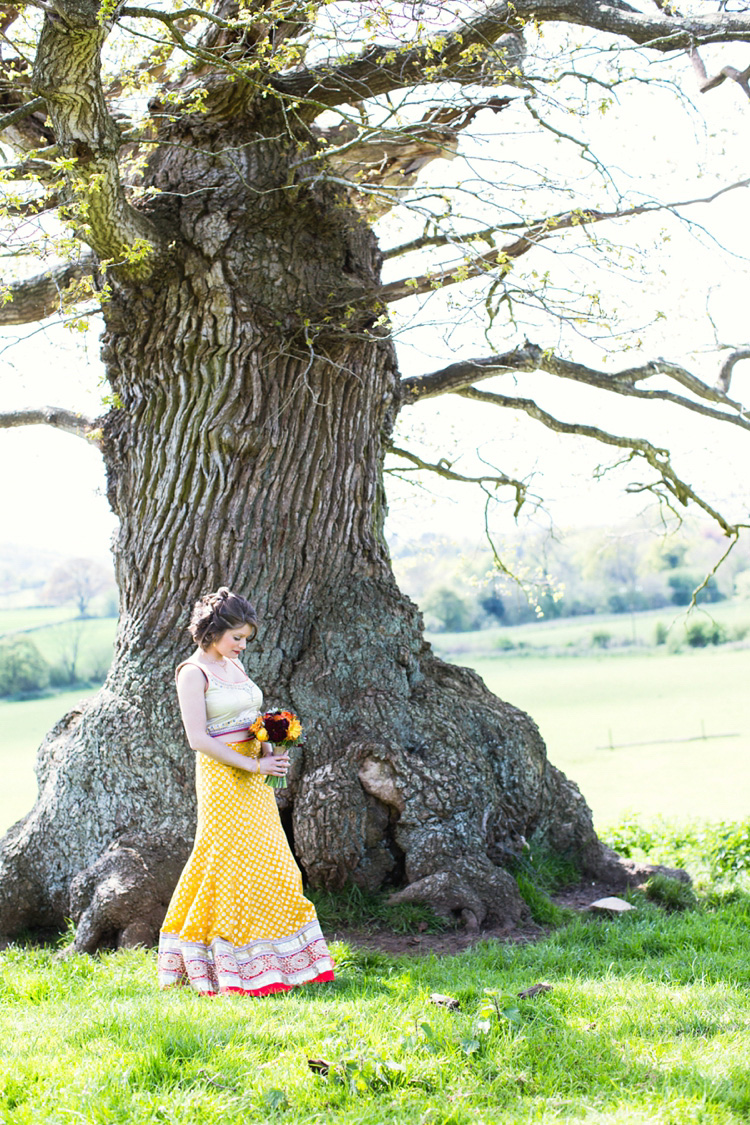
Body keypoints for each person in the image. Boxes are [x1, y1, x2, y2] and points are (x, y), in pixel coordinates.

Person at [157, 587, 335, 996]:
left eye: (245, 639)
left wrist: (271, 742)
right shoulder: (192, 673)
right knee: (231, 866)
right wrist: (255, 763)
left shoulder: (233, 666)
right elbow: (198, 738)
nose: (241, 645)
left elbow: (250, 714)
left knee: (274, 862)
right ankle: (224, 966)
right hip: (223, 779)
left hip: (256, 776)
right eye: (236, 637)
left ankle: (279, 962)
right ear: (212, 630)